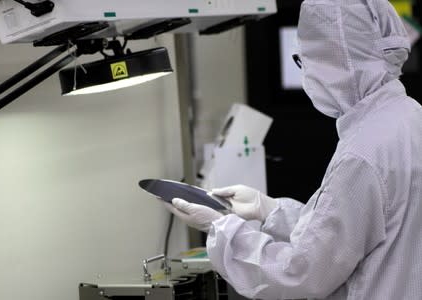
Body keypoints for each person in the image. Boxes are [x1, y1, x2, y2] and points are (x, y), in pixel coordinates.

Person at [165, 0, 422, 299]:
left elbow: (301, 273)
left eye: (306, 60)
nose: (307, 75)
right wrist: (268, 210)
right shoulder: (409, 117)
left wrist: (222, 230)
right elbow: (349, 230)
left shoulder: (362, 154)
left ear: (335, 60)